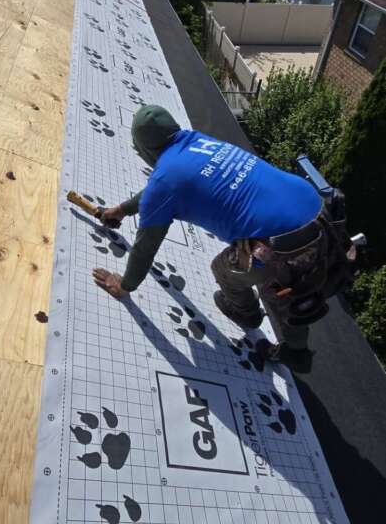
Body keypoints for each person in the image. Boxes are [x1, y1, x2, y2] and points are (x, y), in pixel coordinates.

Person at [93, 105, 324, 365]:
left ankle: (252, 319)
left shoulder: (165, 181)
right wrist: (123, 210)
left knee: (231, 271)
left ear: (145, 149)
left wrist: (124, 286)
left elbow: (144, 248)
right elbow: (164, 188)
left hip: (285, 247)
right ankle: (293, 331)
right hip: (321, 213)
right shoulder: (197, 141)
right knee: (295, 283)